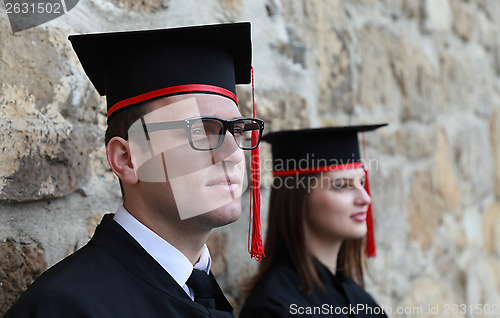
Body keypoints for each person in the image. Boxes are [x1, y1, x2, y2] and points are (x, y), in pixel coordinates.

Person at [5, 22, 265, 318]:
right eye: (201, 131)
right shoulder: (64, 309)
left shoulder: (201, 291)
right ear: (127, 159)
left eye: (238, 131)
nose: (232, 153)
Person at [240, 125, 389, 318]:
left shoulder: (360, 300)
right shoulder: (273, 309)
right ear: (299, 199)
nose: (365, 198)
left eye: (361, 182)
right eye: (342, 185)